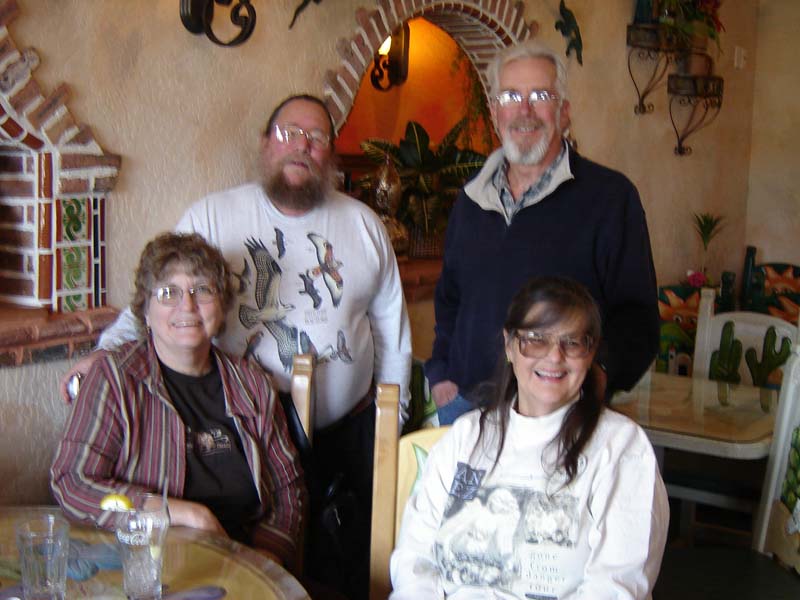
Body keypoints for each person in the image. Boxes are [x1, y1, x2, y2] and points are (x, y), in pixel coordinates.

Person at [60, 94, 411, 600]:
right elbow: (161, 293)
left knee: (344, 565)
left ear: (330, 153)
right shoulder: (215, 214)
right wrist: (105, 356)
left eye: (316, 138)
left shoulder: (364, 225)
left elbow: (392, 335)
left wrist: (388, 429)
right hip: (241, 415)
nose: (302, 147)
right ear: (266, 143)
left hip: (343, 431)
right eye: (290, 133)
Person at [391, 276, 668, 599]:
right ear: (510, 345)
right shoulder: (464, 438)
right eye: (536, 339)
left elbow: (615, 588)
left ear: (591, 352)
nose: (554, 357)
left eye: (573, 342)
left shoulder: (621, 449)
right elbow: (415, 563)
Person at [426, 41, 659, 424]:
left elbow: (638, 320)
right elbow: (449, 300)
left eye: (540, 95)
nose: (524, 110)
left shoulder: (610, 199)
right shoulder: (471, 199)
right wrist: (441, 374)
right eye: (510, 96)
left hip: (561, 419)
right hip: (467, 414)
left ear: (564, 112)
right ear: (495, 111)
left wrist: (596, 379)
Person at [51, 232, 305, 569]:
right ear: (145, 309)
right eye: (168, 292)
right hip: (144, 568)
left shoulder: (252, 383)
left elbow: (289, 489)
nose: (187, 305)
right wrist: (175, 512)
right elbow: (71, 481)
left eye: (202, 290)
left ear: (223, 304)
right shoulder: (115, 378)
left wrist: (266, 559)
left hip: (238, 564)